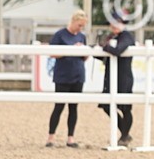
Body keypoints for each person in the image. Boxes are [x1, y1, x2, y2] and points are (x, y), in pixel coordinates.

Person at [47, 10, 88, 148]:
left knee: (74, 107)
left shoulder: (82, 36)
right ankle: (51, 137)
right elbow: (52, 53)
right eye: (79, 25)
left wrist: (84, 52)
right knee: (59, 106)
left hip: (78, 74)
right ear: (73, 21)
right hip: (63, 75)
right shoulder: (60, 35)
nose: (80, 28)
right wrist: (70, 49)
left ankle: (71, 137)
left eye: (83, 26)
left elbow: (85, 57)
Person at [96, 13, 136, 146]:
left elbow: (117, 50)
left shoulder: (126, 36)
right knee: (107, 105)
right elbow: (107, 55)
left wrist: (104, 46)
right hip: (111, 77)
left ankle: (124, 135)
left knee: (125, 108)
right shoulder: (113, 37)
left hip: (122, 77)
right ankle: (125, 134)